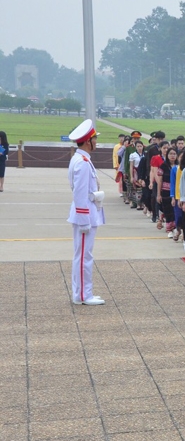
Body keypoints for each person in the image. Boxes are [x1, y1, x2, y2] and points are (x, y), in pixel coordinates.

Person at [66, 119, 106, 306]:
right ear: (88, 141)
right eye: (94, 139)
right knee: (84, 256)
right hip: (85, 214)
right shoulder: (82, 162)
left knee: (84, 255)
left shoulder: (81, 159)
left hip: (87, 212)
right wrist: (84, 221)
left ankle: (83, 292)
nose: (96, 142)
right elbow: (80, 194)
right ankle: (83, 295)